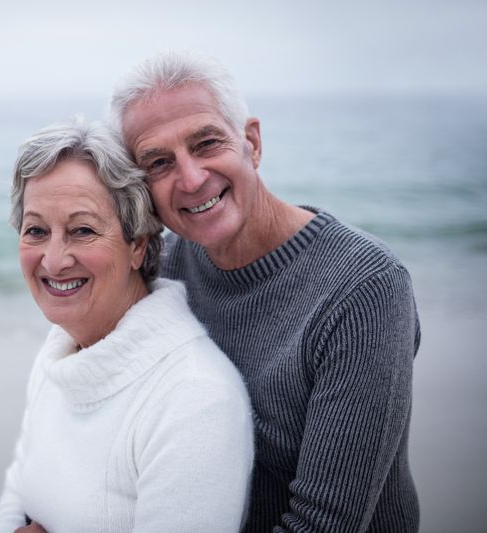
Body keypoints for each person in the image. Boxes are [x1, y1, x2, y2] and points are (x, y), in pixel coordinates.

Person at [110, 51, 421, 532]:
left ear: (251, 143)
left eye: (207, 142)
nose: (191, 179)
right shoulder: (162, 268)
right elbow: (102, 431)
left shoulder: (364, 290)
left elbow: (323, 525)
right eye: (159, 162)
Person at [0, 120, 254, 533]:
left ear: (138, 246)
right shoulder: (59, 349)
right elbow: (17, 488)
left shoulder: (195, 400)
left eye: (82, 230)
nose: (54, 260)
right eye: (36, 230)